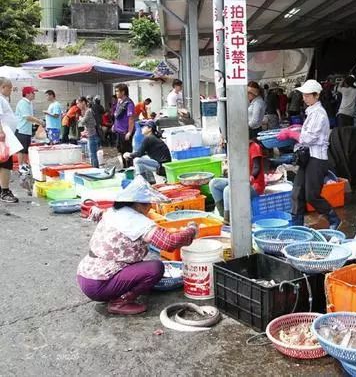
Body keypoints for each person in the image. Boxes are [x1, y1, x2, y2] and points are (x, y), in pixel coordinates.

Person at [76, 177, 197, 315]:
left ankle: (114, 293)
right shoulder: (134, 220)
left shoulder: (113, 212)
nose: (150, 207)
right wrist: (191, 230)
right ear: (138, 204)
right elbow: (169, 242)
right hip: (99, 283)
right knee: (155, 268)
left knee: (142, 265)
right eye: (148, 204)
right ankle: (119, 302)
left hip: (86, 275)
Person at [277, 79, 341, 229]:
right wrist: (296, 128)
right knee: (297, 192)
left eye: (307, 95)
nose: (304, 98)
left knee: (312, 195)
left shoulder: (319, 113)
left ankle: (334, 219)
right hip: (307, 157)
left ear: (316, 96)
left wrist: (290, 134)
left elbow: (309, 138)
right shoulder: (311, 111)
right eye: (303, 95)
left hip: (317, 158)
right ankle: (297, 226)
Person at [208, 137, 265, 224]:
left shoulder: (254, 147)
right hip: (239, 181)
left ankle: (227, 221)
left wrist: (250, 177)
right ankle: (223, 215)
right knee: (214, 183)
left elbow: (257, 167)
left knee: (228, 190)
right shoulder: (238, 148)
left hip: (254, 186)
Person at [14, 86, 44, 172]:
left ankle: (24, 164)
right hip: (21, 129)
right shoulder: (23, 103)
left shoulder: (29, 103)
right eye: (32, 93)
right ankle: (20, 166)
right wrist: (39, 121)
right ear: (27, 94)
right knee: (21, 149)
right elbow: (27, 117)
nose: (34, 94)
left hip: (27, 130)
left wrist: (38, 122)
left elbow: (30, 117)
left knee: (26, 149)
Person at [0, 77, 19, 203]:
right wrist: (1, 132)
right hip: (4, 134)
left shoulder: (2, 99)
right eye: (10, 88)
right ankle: (5, 191)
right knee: (5, 164)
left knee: (2, 163)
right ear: (2, 87)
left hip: (6, 133)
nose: (11, 90)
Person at [113, 84, 135, 168]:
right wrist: (114, 125)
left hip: (125, 132)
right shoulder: (119, 102)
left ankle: (129, 168)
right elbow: (116, 116)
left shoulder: (129, 103)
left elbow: (131, 119)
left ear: (123, 92)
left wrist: (129, 132)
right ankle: (124, 167)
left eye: (117, 91)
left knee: (127, 152)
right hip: (118, 131)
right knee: (120, 151)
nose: (116, 93)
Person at [77, 97, 100, 168]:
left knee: (93, 154)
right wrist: (84, 132)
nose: (77, 105)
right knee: (91, 154)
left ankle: (95, 169)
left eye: (78, 103)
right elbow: (89, 124)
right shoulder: (86, 111)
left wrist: (80, 118)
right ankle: (94, 168)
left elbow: (83, 121)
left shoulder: (88, 111)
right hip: (90, 134)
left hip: (92, 135)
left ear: (83, 102)